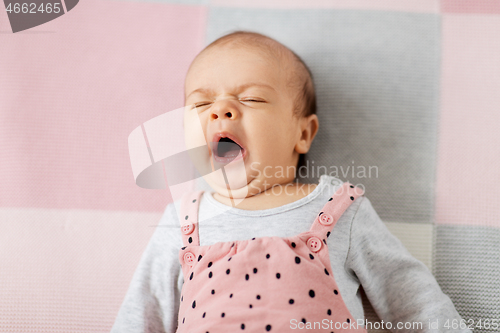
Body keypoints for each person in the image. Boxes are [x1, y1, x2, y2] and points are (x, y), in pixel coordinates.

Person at [111, 31, 471, 333]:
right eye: (201, 104)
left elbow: (412, 297)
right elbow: (142, 315)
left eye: (250, 98)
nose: (221, 109)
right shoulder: (183, 220)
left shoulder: (338, 208)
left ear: (302, 132)